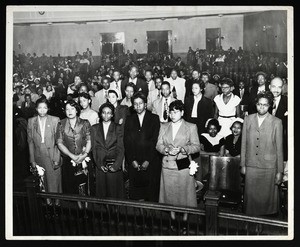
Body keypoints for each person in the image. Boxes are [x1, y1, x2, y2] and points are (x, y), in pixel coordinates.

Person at [156, 100, 200, 234]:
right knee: (170, 194)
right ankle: (173, 220)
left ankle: (185, 221)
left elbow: (196, 146)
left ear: (182, 112)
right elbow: (158, 145)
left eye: (176, 112)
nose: (173, 114)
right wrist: (167, 150)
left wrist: (183, 149)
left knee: (185, 194)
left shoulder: (191, 127)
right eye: (171, 112)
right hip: (168, 164)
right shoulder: (164, 126)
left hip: (183, 164)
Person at [241, 92, 283, 216]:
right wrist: (243, 164)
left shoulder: (277, 122)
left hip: (269, 167)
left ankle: (265, 226)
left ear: (270, 106)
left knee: (267, 202)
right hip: (251, 165)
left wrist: (279, 171)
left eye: (265, 105)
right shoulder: (248, 119)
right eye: (259, 104)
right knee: (251, 202)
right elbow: (244, 143)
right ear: (256, 105)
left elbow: (279, 149)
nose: (262, 107)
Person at [124, 92, 161, 202]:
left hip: (151, 161)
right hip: (135, 161)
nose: (138, 106)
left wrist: (148, 160)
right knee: (137, 194)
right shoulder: (129, 119)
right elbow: (127, 142)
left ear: (145, 104)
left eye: (140, 103)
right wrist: (132, 160)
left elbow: (155, 141)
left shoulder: (154, 118)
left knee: (151, 194)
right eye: (135, 104)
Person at [56, 100, 92, 205]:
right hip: (69, 159)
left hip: (83, 158)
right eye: (67, 109)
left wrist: (84, 155)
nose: (69, 111)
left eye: (72, 108)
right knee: (72, 186)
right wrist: (72, 156)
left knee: (84, 186)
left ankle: (86, 210)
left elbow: (89, 140)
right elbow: (59, 143)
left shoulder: (84, 123)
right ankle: (78, 210)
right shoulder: (61, 124)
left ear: (77, 110)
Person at [27, 98, 62, 205]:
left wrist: (57, 158)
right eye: (40, 108)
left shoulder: (55, 120)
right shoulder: (31, 121)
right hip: (39, 157)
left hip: (52, 156)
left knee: (54, 182)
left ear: (48, 109)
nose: (42, 110)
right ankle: (47, 205)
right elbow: (30, 142)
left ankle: (57, 204)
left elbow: (59, 142)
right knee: (43, 183)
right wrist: (32, 160)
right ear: (36, 108)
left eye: (45, 108)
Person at [90, 103, 125, 198]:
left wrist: (116, 165)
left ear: (112, 114)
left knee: (114, 192)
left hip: (113, 163)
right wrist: (99, 164)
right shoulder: (94, 128)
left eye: (109, 113)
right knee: (102, 192)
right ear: (100, 114)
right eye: (104, 113)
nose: (106, 115)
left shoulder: (118, 128)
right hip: (100, 163)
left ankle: (115, 211)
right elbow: (94, 148)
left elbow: (121, 148)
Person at [268, 77, 288, 161]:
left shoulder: (288, 101)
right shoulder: (263, 100)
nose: (276, 90)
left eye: (279, 87)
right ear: (269, 87)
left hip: (281, 144)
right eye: (273, 86)